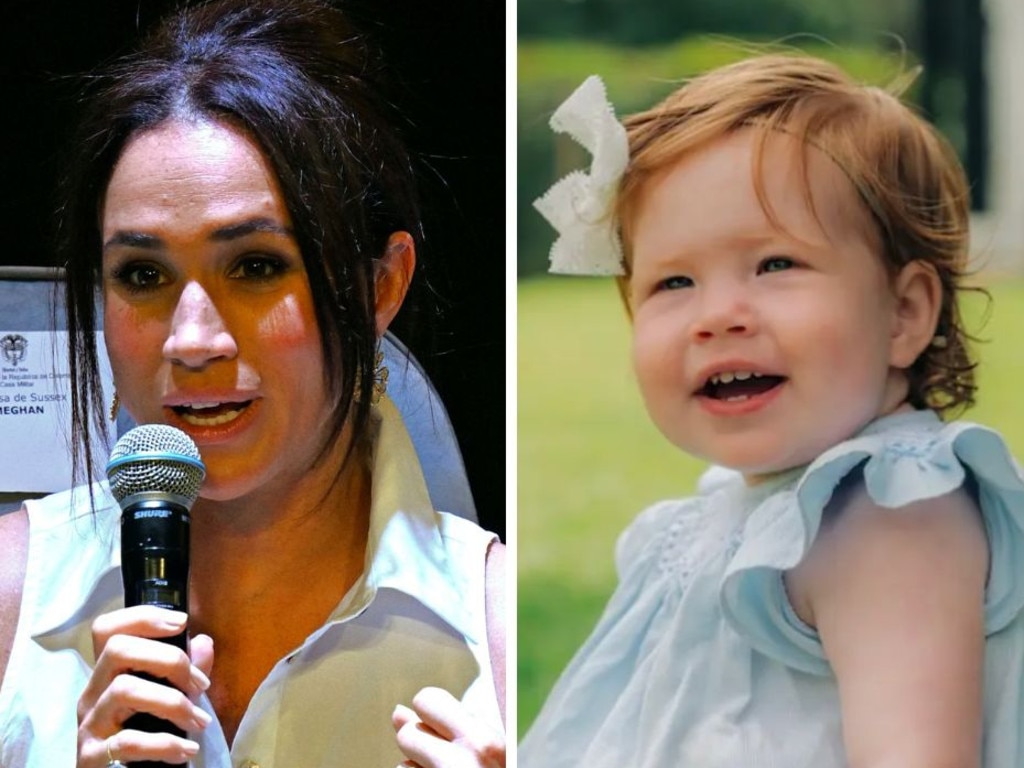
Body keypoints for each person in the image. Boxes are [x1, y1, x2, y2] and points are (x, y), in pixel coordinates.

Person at [0, 1, 505, 766]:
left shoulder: (506, 635)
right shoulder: (10, 601)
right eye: (142, 274)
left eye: (256, 266)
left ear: (380, 287)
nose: (193, 339)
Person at [521, 54, 1024, 767]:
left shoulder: (890, 517)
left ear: (904, 314)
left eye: (775, 265)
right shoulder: (748, 511)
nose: (718, 315)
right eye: (674, 281)